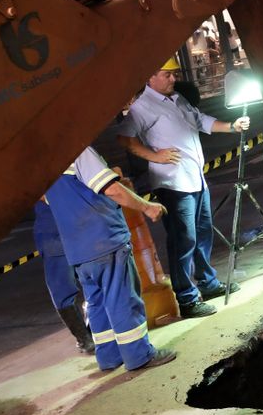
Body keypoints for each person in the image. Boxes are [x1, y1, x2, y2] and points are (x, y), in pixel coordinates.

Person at [117, 57, 249, 319]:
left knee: (202, 233)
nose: (173, 79)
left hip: (195, 178)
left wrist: (231, 126)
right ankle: (187, 299)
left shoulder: (178, 99)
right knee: (183, 240)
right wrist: (156, 156)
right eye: (167, 75)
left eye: (174, 74)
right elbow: (125, 139)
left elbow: (200, 120)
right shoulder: (142, 107)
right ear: (150, 77)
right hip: (172, 184)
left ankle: (208, 283)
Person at [45, 146, 176, 371]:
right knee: (122, 298)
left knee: (97, 302)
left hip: (77, 248)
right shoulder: (77, 151)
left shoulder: (42, 164)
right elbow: (113, 189)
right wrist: (147, 207)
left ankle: (108, 357)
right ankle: (139, 355)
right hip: (103, 238)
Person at [33, 199, 95, 354]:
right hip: (74, 227)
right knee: (92, 279)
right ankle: (90, 336)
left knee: (63, 289)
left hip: (56, 231)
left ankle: (85, 339)